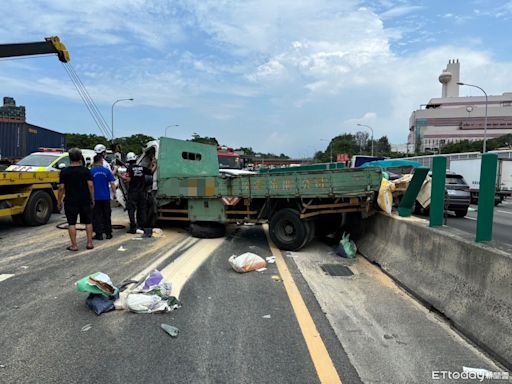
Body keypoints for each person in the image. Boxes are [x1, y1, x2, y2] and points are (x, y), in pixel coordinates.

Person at [57, 148, 95, 251]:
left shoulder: (64, 172)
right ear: (80, 157)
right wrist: (92, 199)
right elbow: (90, 185)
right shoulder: (86, 171)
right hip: (85, 199)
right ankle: (90, 243)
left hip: (70, 200)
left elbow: (61, 188)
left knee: (71, 223)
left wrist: (59, 201)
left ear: (69, 158)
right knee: (88, 222)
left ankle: (74, 245)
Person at [123, 152, 156, 234]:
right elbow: (151, 171)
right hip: (142, 193)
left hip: (133, 192)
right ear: (135, 159)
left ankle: (133, 227)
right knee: (142, 210)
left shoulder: (129, 168)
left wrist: (120, 175)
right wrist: (154, 164)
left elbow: (127, 180)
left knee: (131, 210)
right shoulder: (141, 168)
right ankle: (142, 226)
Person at [91, 154, 117, 240]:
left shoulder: (91, 171)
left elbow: (90, 185)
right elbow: (112, 183)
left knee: (97, 216)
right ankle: (108, 233)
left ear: (94, 162)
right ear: (101, 161)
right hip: (106, 197)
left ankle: (99, 234)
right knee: (107, 215)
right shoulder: (106, 171)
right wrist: (114, 193)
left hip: (96, 198)